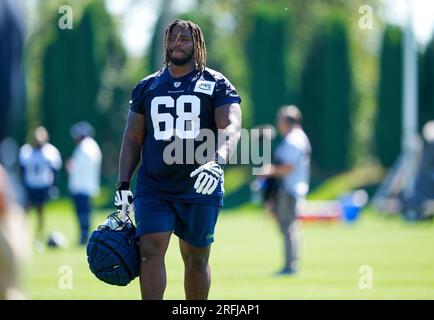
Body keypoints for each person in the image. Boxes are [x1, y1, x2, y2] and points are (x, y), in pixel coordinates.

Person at [115, 19, 241, 300]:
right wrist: (123, 183)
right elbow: (133, 137)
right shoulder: (147, 87)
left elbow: (231, 127)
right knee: (149, 250)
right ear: (165, 42)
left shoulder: (216, 83)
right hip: (154, 185)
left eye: (185, 39)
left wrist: (217, 161)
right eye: (173, 38)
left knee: (196, 257)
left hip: (200, 184)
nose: (178, 43)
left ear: (197, 45)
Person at [260, 105, 311, 275]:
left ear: (288, 121)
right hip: (293, 187)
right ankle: (291, 264)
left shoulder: (293, 139)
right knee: (289, 227)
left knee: (289, 227)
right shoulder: (298, 137)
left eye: (280, 120)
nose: (278, 123)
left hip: (289, 188)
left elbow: (289, 166)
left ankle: (291, 266)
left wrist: (270, 170)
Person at [18, 127, 62, 241]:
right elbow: (21, 170)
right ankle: (22, 234)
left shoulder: (50, 151)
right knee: (25, 210)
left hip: (43, 185)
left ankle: (39, 234)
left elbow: (55, 171)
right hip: (29, 185)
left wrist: (53, 186)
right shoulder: (26, 150)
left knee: (40, 211)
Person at [67, 121, 102, 245]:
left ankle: (84, 236)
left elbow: (78, 166)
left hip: (82, 185)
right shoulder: (89, 146)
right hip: (84, 185)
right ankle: (84, 235)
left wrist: (72, 166)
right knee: (84, 212)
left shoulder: (86, 147)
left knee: (83, 213)